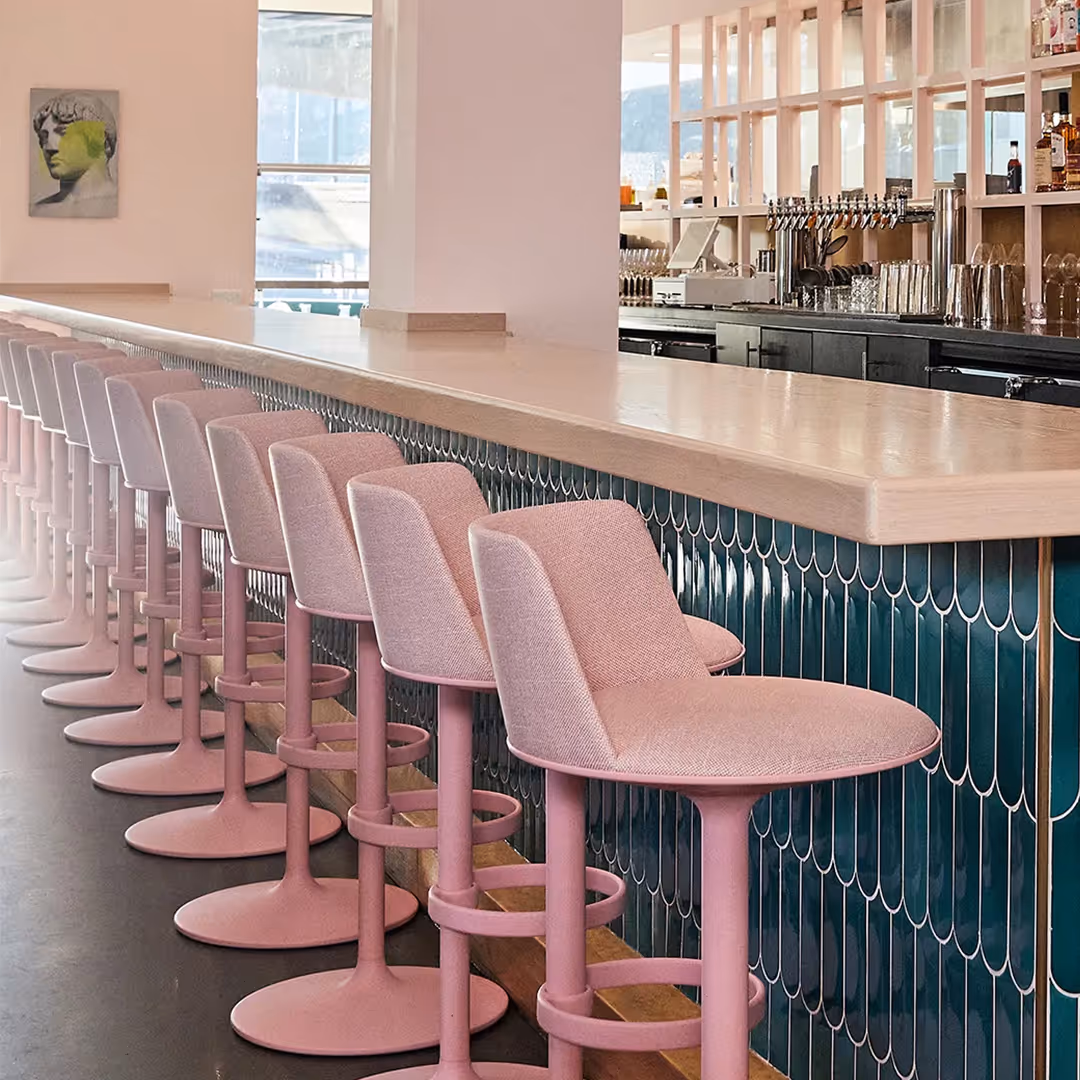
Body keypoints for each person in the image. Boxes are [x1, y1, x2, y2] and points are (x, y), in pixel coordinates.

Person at [31, 92, 118, 217]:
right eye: (44, 138)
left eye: (64, 133)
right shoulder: (36, 211)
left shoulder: (129, 206)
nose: (49, 148)